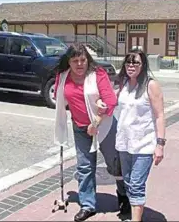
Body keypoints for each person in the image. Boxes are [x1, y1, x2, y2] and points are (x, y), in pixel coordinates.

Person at [53, 44, 130, 222]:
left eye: (83, 60)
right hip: (80, 127)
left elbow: (111, 102)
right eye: (75, 61)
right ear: (69, 62)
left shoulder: (98, 74)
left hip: (105, 126)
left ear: (88, 60)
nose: (80, 64)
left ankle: (124, 197)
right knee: (84, 166)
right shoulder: (63, 76)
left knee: (115, 164)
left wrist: (96, 119)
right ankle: (88, 205)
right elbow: (59, 97)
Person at [111, 49, 166, 222]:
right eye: (128, 62)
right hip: (124, 143)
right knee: (127, 182)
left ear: (143, 65)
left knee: (136, 184)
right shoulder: (124, 83)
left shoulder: (151, 85)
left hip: (144, 144)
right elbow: (110, 100)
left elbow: (160, 116)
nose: (131, 66)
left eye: (136, 62)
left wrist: (160, 144)